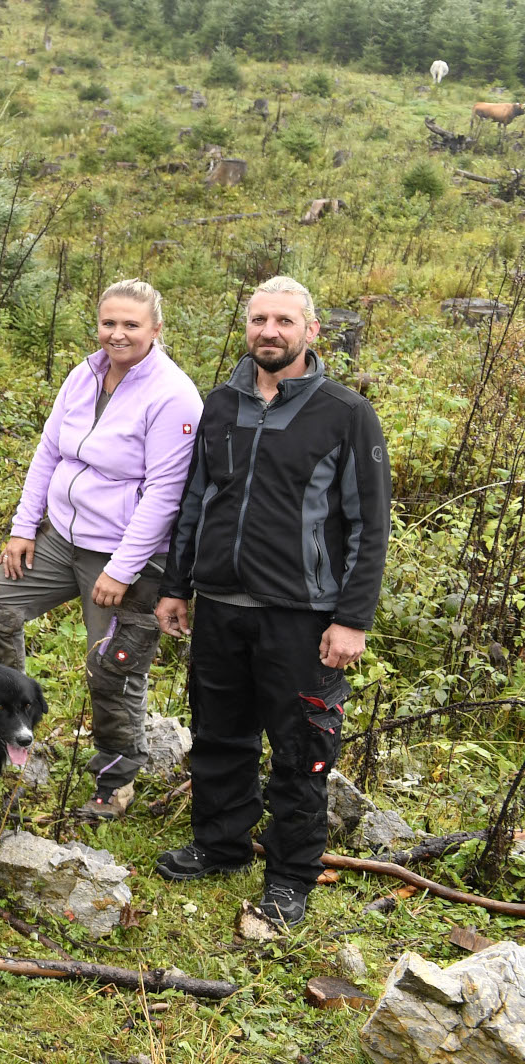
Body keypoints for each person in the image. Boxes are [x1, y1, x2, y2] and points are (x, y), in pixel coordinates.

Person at [155, 276, 388, 930]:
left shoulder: (345, 414)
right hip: (220, 604)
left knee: (301, 749)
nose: (269, 331)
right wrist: (177, 586)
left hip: (303, 615)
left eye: (284, 320)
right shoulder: (221, 405)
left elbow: (370, 526)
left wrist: (352, 619)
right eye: (259, 319)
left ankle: (290, 875)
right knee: (219, 735)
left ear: (311, 331)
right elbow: (195, 502)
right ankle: (221, 845)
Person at [0, 280, 201, 819]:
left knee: (112, 667)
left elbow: (166, 493)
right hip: (62, 538)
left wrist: (122, 569)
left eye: (131, 325)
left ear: (156, 329)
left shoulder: (173, 395)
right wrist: (25, 527)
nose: (117, 334)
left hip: (127, 555)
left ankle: (114, 781)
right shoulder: (85, 373)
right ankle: (9, 730)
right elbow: (49, 450)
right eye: (108, 323)